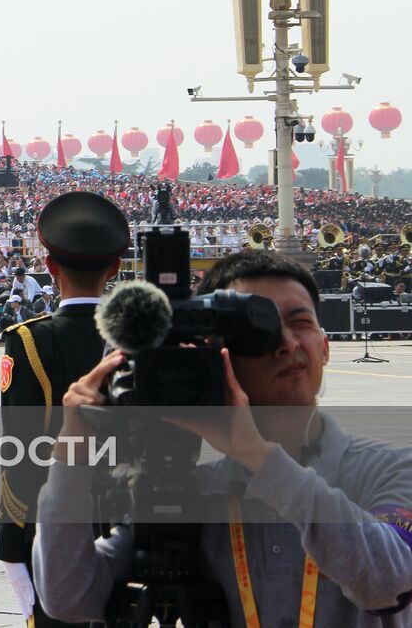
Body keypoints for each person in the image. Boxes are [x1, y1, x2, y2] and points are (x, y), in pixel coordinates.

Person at [34, 249, 412, 626]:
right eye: (259, 330)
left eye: (300, 322)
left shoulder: (391, 470)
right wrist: (72, 454)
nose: (286, 343)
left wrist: (257, 456)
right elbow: (69, 596)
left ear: (325, 347)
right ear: (216, 356)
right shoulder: (195, 494)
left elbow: (388, 583)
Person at [0, 190, 129, 628]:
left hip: (57, 530)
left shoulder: (31, 341)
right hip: (138, 528)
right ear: (115, 268)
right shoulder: (143, 340)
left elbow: (20, 451)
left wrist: (13, 542)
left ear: (50, 266)